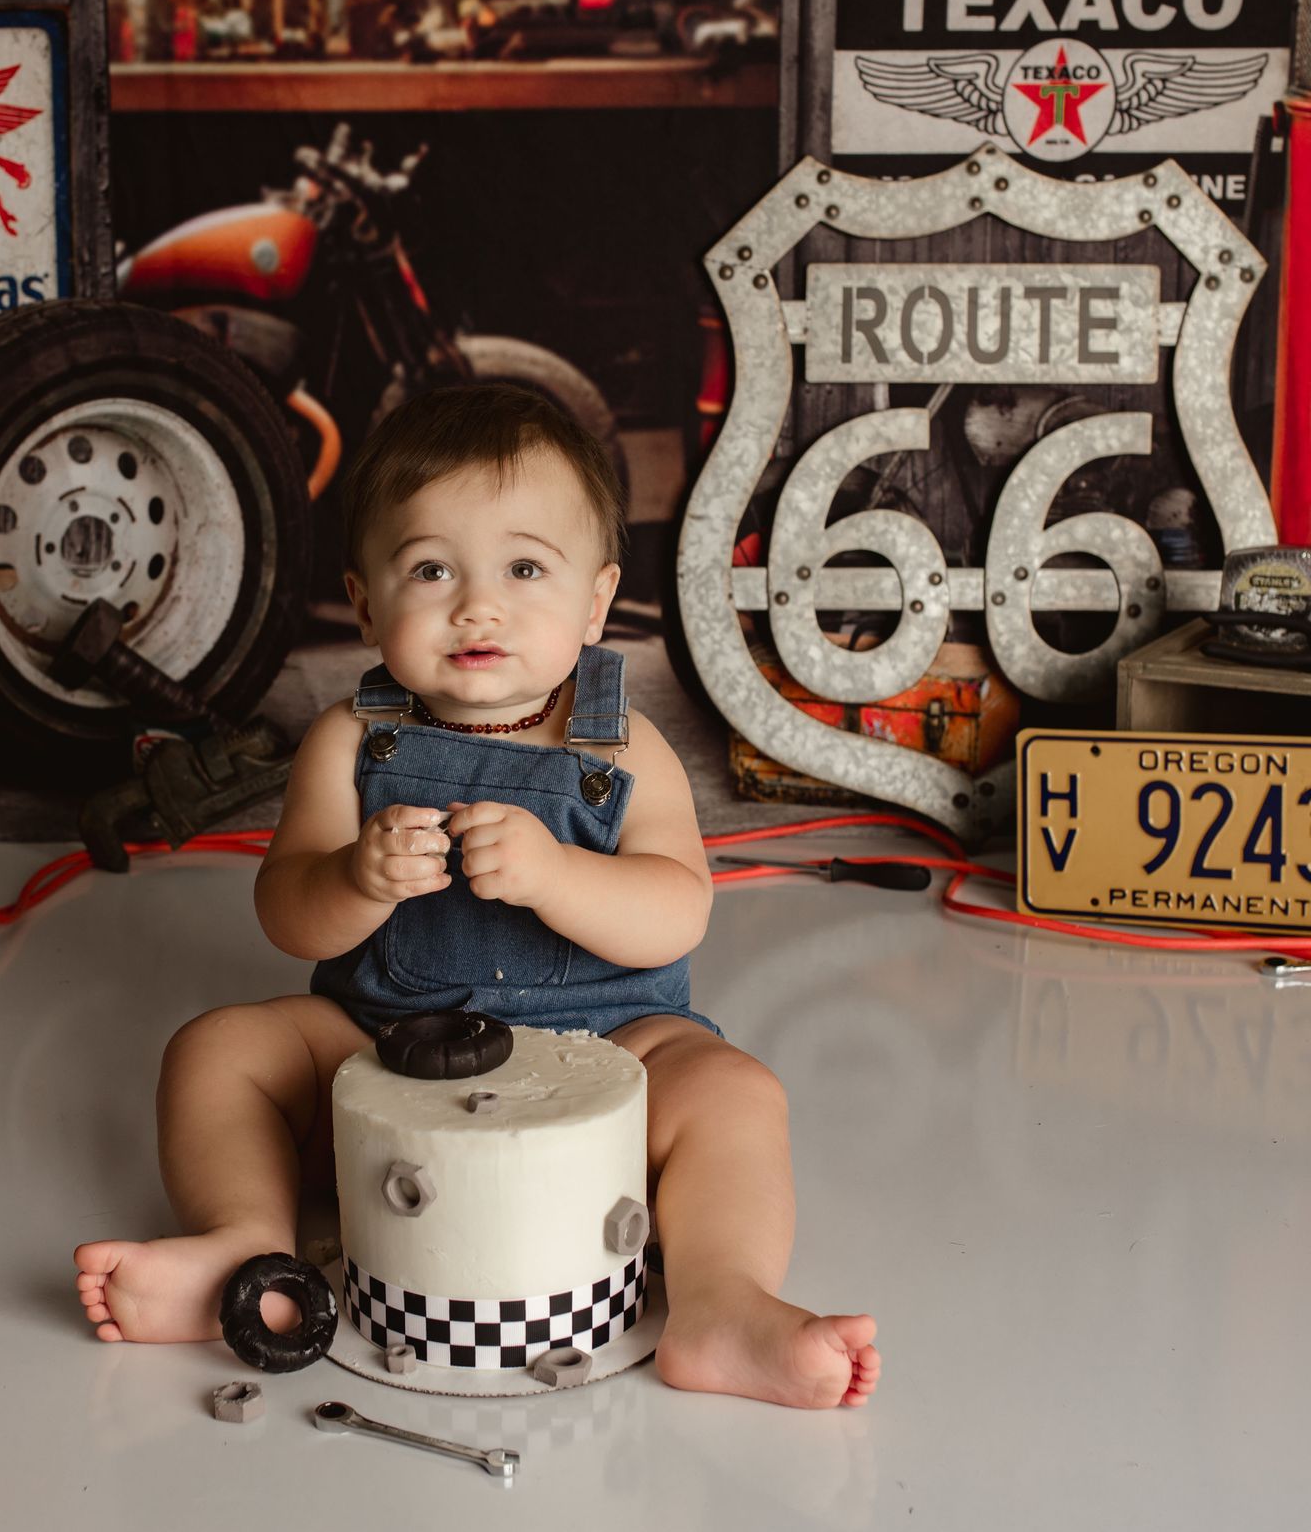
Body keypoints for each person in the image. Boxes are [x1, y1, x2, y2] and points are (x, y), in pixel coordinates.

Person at [74, 384, 880, 1409]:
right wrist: (352, 879)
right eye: (430, 568)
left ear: (595, 602)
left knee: (732, 1091)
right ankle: (247, 1247)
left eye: (525, 567)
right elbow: (286, 912)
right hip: (378, 1055)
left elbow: (679, 908)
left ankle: (719, 1300)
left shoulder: (620, 745)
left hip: (608, 1054)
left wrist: (557, 874)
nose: (477, 604)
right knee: (219, 1048)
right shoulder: (349, 743)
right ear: (365, 602)